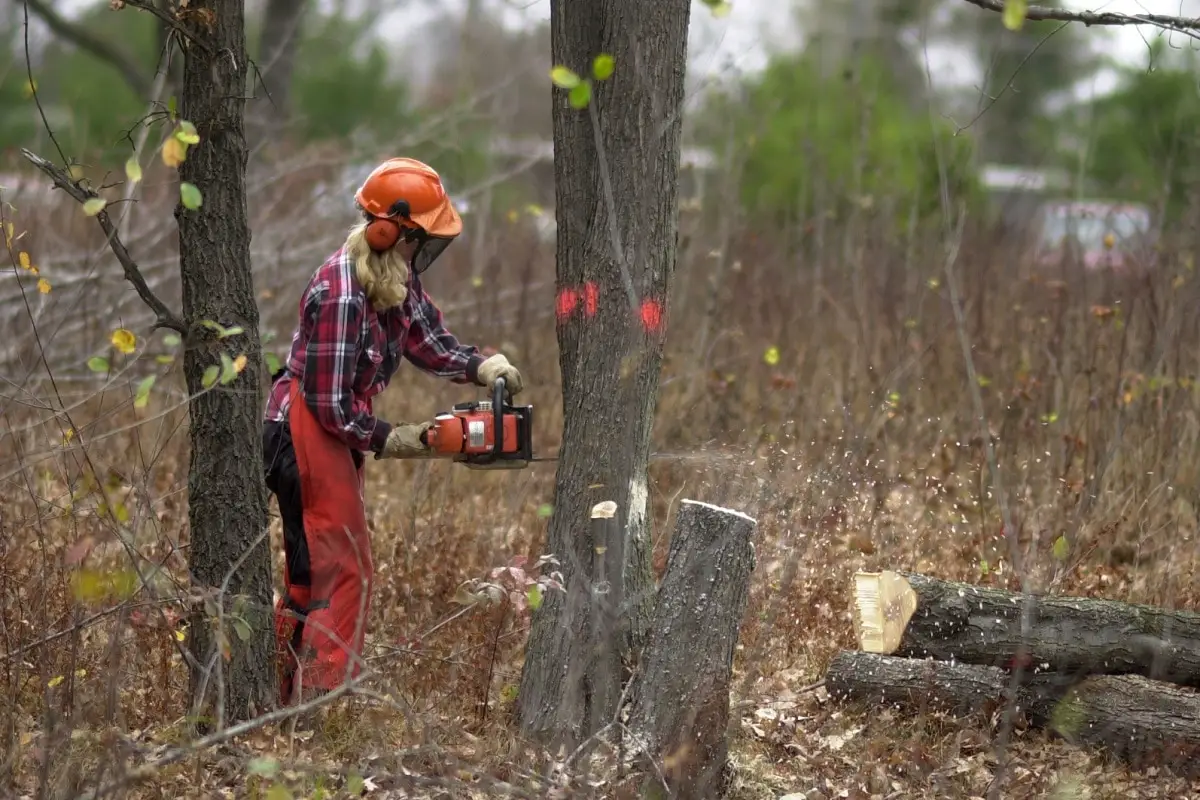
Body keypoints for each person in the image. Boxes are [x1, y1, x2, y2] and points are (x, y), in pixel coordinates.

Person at [261, 157, 524, 705]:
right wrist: (393, 437)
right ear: (390, 230)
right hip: (305, 430)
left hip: (328, 432)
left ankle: (276, 694)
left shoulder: (394, 279)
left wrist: (481, 366)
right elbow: (329, 403)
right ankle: (317, 707)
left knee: (312, 576)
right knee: (343, 571)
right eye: (419, 240)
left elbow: (429, 338)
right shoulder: (342, 291)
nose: (424, 252)